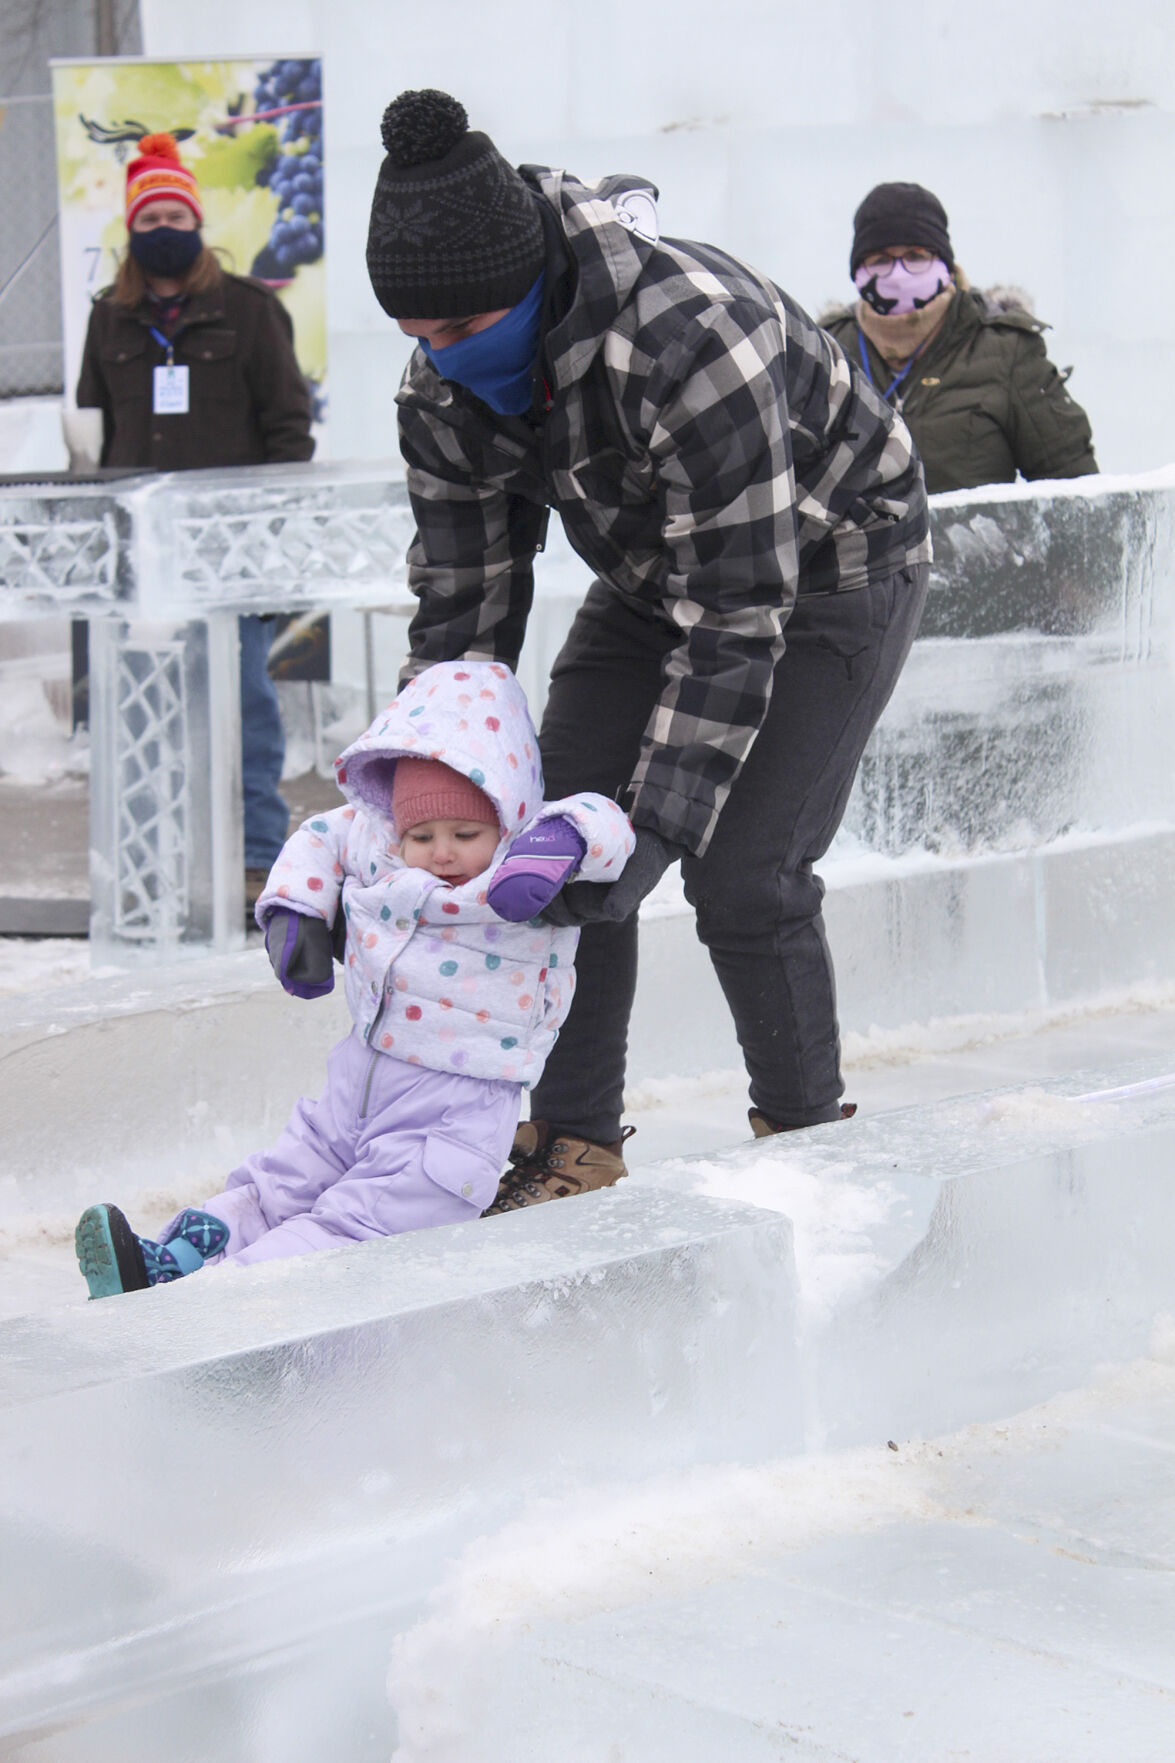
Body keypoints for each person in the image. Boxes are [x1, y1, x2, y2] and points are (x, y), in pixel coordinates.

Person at [362, 90, 932, 1210]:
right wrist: (419, 793)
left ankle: (807, 1138)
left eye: (463, 332)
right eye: (415, 336)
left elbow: (736, 610)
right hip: (649, 572)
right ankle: (572, 1144)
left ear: (524, 286)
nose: (438, 360)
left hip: (829, 566)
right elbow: (462, 610)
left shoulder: (686, 337)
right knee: (550, 843)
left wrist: (657, 823)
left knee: (742, 873)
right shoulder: (440, 385)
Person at [74, 660, 635, 1297]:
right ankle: (172, 1259)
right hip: (360, 1076)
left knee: (364, 1222)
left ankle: (227, 1298)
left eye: (464, 833)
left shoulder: (524, 852)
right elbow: (321, 836)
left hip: (456, 1104)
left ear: (504, 816)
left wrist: (555, 846)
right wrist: (294, 913)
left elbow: (606, 824)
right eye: (423, 834)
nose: (443, 851)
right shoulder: (384, 840)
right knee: (277, 1183)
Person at [74, 131, 315, 903]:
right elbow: (89, 427)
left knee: (246, 710)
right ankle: (147, 867)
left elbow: (289, 430)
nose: (163, 231)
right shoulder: (107, 319)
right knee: (142, 716)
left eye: (175, 214)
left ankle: (257, 861)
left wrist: (270, 535)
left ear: (198, 221)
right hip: (142, 560)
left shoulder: (249, 311)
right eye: (148, 221)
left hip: (228, 556)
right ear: (131, 232)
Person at [820, 181, 1097, 495]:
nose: (898, 274)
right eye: (880, 260)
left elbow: (1073, 489)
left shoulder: (1007, 349)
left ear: (944, 264)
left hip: (974, 543)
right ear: (859, 270)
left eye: (916, 255)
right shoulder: (826, 354)